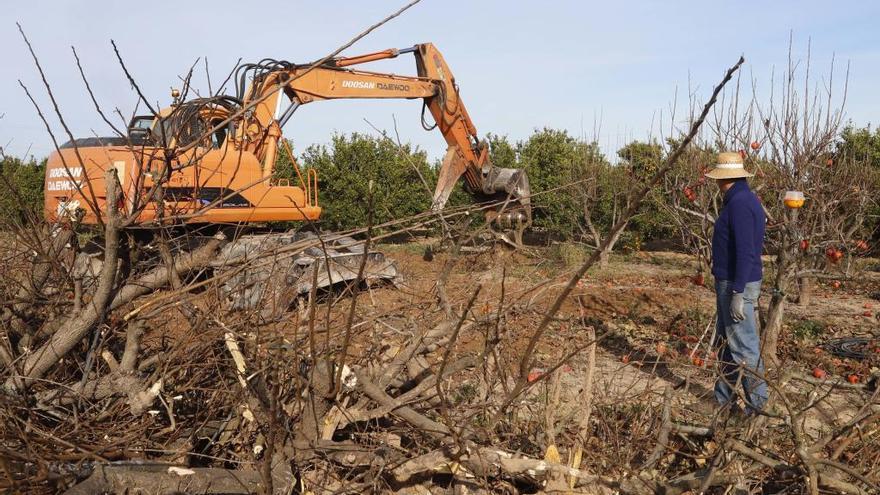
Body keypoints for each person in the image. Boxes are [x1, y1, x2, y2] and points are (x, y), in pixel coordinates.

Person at [705, 152, 768, 414]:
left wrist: (738, 292)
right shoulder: (740, 200)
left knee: (743, 347)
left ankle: (758, 408)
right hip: (731, 280)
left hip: (735, 282)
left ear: (723, 178)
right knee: (726, 345)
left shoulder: (740, 203)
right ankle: (724, 403)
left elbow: (746, 251)